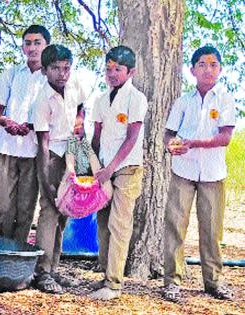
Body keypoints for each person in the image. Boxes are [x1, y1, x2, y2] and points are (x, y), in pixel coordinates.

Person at [162, 46, 236, 302]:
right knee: (175, 226)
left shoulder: (225, 99)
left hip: (214, 174)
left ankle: (213, 282)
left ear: (220, 69)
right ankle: (172, 282)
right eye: (202, 64)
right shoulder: (183, 102)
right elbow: (169, 134)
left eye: (213, 64)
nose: (208, 69)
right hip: (183, 171)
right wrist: (171, 145)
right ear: (192, 70)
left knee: (212, 230)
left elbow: (225, 137)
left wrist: (193, 143)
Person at [89, 45, 148, 301]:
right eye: (108, 68)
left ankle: (114, 283)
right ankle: (105, 274)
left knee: (119, 223)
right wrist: (91, 169)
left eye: (118, 69)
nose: (112, 73)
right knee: (102, 223)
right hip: (103, 170)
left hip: (126, 168)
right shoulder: (101, 100)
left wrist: (111, 167)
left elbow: (132, 138)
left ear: (130, 71)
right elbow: (97, 137)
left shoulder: (136, 98)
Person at [32, 44, 86, 294]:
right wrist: (46, 181)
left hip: (71, 155)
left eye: (66, 68)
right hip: (51, 156)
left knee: (64, 212)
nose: (62, 74)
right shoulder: (42, 99)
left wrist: (79, 124)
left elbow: (81, 107)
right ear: (44, 70)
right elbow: (42, 143)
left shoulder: (74, 86)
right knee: (49, 211)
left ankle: (54, 268)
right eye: (55, 68)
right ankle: (42, 272)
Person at [0, 25, 50, 242]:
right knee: (4, 208)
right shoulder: (12, 73)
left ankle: (17, 256)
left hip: (34, 152)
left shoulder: (50, 78)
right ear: (23, 47)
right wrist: (7, 122)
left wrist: (31, 125)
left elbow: (54, 116)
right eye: (28, 43)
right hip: (7, 149)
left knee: (26, 210)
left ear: (46, 46)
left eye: (37, 43)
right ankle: (3, 251)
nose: (32, 47)